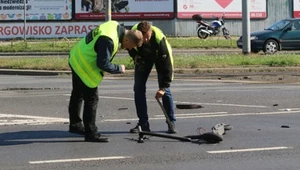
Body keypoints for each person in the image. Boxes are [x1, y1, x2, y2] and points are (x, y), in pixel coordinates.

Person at [68, 20, 143, 142]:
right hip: (84, 66)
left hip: (76, 56)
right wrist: (119, 68)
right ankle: (91, 133)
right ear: (127, 40)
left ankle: (75, 125)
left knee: (77, 94)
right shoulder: (109, 40)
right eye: (131, 46)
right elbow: (102, 63)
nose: (128, 49)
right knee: (92, 99)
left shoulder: (113, 25)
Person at [127, 21, 177, 134]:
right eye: (142, 38)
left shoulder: (160, 40)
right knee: (138, 88)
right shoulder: (133, 33)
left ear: (151, 32)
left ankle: (171, 122)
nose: (145, 40)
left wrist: (163, 88)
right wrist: (134, 56)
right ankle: (143, 123)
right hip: (143, 57)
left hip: (159, 57)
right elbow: (128, 45)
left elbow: (168, 66)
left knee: (165, 91)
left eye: (147, 37)